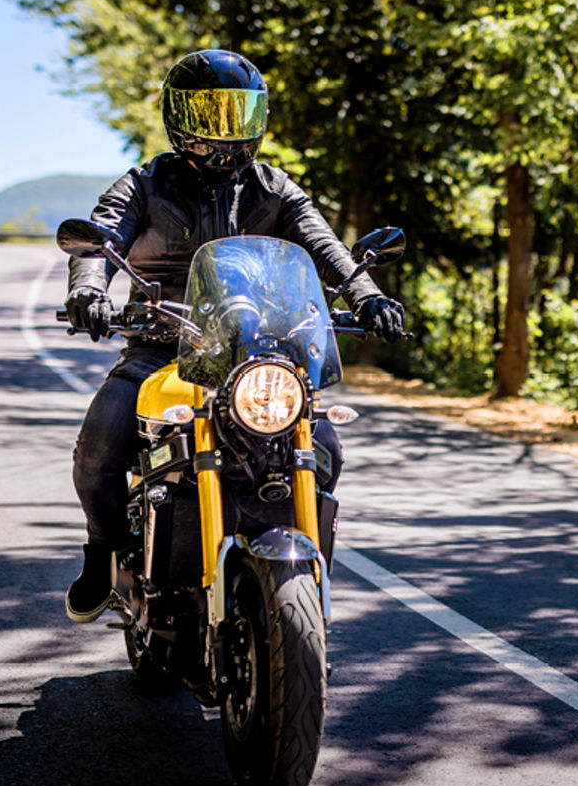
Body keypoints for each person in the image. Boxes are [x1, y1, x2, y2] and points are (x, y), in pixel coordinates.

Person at [62, 49, 404, 623]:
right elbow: (100, 237)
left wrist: (366, 295)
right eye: (209, 114)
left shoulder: (275, 188)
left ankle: (298, 569)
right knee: (99, 448)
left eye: (236, 113)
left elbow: (327, 248)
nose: (224, 131)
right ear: (178, 117)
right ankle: (102, 555)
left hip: (259, 354)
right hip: (164, 348)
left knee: (326, 449)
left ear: (259, 116)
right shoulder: (146, 183)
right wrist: (89, 288)